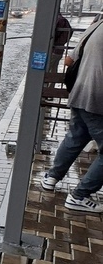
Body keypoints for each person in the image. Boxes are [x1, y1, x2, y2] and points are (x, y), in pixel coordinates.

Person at [41, 15, 103, 213]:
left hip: (79, 92)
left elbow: (69, 60)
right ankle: (80, 196)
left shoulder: (97, 24)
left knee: (76, 136)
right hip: (97, 100)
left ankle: (52, 178)